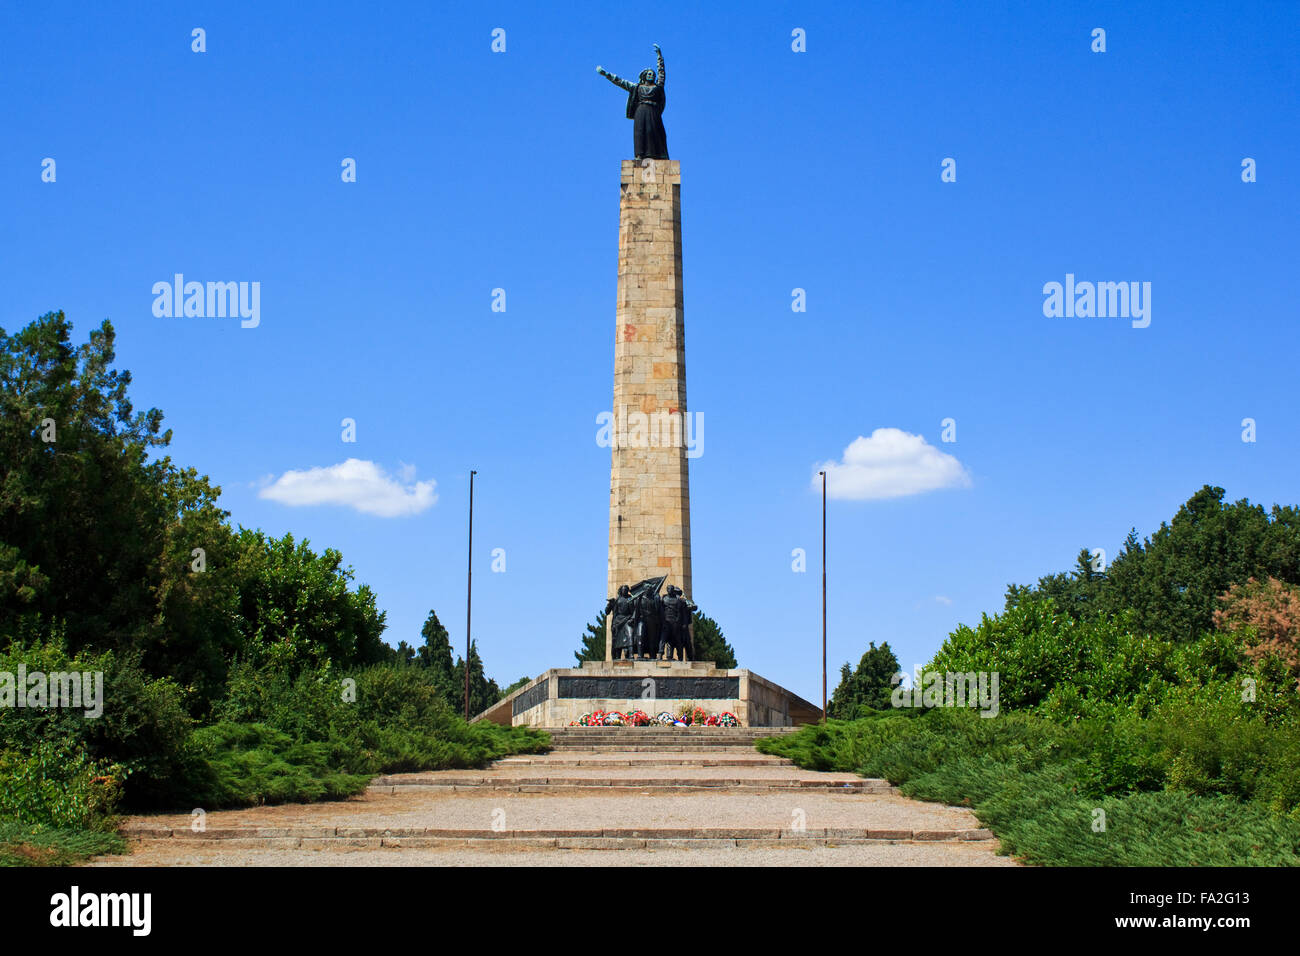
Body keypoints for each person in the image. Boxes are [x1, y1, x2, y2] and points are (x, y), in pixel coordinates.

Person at [596, 44, 669, 160]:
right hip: (640, 111)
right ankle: (640, 155)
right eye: (649, 74)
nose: (651, 75)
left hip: (653, 111)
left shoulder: (658, 87)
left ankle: (658, 154)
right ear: (644, 76)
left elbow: (662, 74)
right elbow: (621, 82)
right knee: (640, 132)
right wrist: (606, 74)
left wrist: (659, 57)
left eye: (652, 74)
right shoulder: (637, 87)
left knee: (654, 132)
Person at [659, 584, 696, 661]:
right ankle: (669, 656)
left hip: (683, 626)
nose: (676, 594)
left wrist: (688, 604)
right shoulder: (668, 599)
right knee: (670, 641)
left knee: (686, 642)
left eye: (677, 593)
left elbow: (694, 607)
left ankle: (689, 657)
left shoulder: (683, 601)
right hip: (673, 624)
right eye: (675, 592)